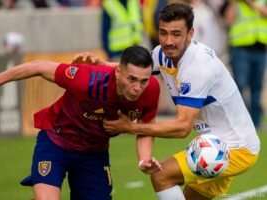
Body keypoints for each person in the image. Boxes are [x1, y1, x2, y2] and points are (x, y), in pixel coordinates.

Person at [72, 3, 261, 200]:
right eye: (163, 33)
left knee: (161, 176)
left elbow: (182, 127)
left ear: (190, 34)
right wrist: (100, 64)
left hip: (236, 147)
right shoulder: (162, 54)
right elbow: (135, 70)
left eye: (176, 34)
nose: (168, 41)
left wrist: (131, 127)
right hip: (214, 144)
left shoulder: (197, 67)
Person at [0, 45, 162, 200]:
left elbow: (146, 127)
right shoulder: (87, 78)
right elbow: (38, 67)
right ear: (118, 71)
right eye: (132, 79)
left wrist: (144, 159)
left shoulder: (151, 89)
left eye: (143, 81)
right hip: (57, 141)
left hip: (94, 153)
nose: (137, 88)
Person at [223, 0, 267, 128]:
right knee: (240, 85)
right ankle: (237, 121)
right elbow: (228, 20)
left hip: (260, 48)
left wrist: (250, 4)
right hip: (240, 48)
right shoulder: (235, 2)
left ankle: (256, 121)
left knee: (257, 86)